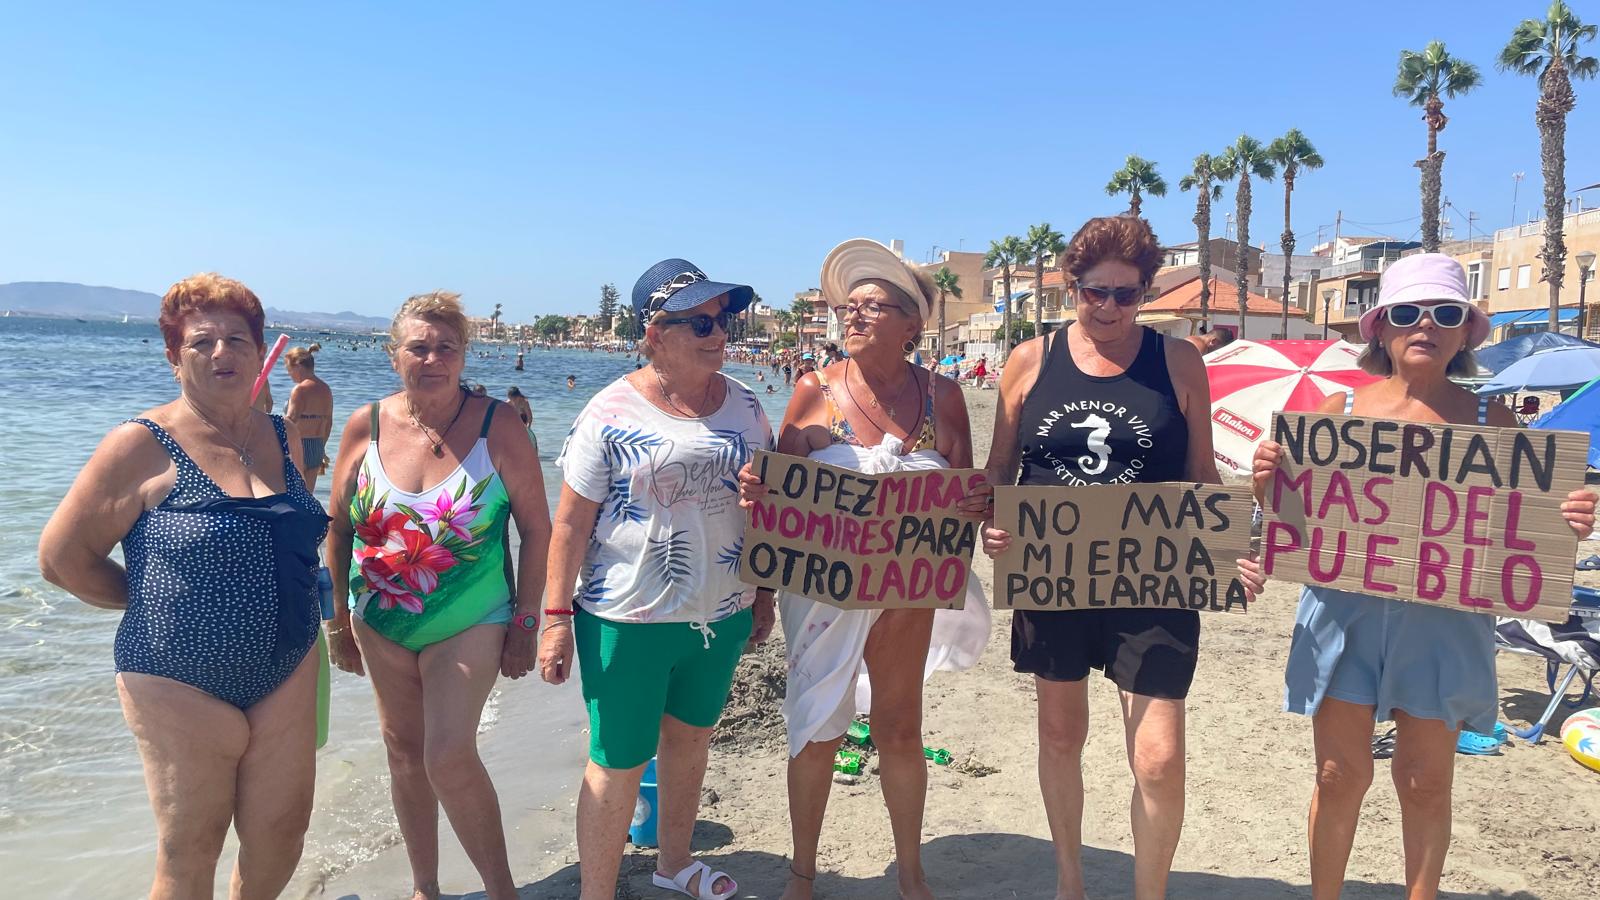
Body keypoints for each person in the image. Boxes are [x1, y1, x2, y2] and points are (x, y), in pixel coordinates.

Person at [1251, 253, 1598, 900]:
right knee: (1337, 774)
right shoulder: (1336, 409)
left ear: (1466, 331)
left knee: (1425, 780)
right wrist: (1268, 484)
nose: (1425, 325)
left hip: (1445, 620)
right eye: (1407, 312)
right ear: (1381, 327)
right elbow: (1290, 519)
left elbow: (1525, 526)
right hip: (1342, 614)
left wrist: (1566, 519)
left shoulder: (1495, 426)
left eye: (1445, 313)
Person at [969, 216, 1264, 900]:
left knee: (1158, 759)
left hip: (1155, 577)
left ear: (1146, 293)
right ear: (1071, 288)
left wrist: (1234, 548)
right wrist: (992, 524)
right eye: (1092, 292)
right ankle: (1070, 882)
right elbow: (999, 476)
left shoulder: (1180, 362)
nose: (1106, 308)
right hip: (1050, 576)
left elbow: (1201, 477)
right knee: (1061, 736)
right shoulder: (1030, 360)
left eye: (1124, 295)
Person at [38, 273, 327, 898]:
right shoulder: (140, 444)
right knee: (191, 846)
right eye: (202, 342)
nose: (222, 353)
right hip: (175, 676)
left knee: (281, 834)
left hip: (289, 663)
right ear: (174, 357)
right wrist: (146, 600)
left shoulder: (283, 434)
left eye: (237, 339)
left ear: (258, 350)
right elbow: (62, 558)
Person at [738, 239, 989, 900]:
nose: (854, 317)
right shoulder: (812, 391)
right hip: (822, 594)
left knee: (900, 728)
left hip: (905, 591)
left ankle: (911, 871)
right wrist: (762, 594)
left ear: (910, 324)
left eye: (873, 308)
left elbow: (964, 493)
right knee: (818, 727)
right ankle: (802, 874)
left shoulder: (943, 398)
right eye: (849, 307)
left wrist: (976, 500)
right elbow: (777, 505)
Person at [539, 259, 772, 900]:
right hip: (627, 619)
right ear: (655, 332)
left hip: (719, 611)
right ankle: (598, 891)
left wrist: (765, 593)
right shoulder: (608, 411)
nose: (718, 331)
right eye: (699, 320)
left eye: (723, 318)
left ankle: (675, 865)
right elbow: (568, 527)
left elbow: (765, 512)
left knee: (691, 742)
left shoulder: (749, 408)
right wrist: (555, 621)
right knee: (617, 761)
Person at [324, 291, 551, 900]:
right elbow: (339, 528)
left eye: (445, 347)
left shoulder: (495, 425)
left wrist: (528, 622)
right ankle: (425, 887)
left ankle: (501, 889)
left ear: (464, 354)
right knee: (402, 750)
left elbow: (537, 527)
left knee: (447, 754)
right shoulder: (364, 425)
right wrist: (336, 622)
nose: (432, 359)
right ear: (394, 354)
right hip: (379, 619)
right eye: (418, 347)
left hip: (471, 616)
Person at [284, 345, 334, 491]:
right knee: (308, 494)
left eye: (289, 369)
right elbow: (329, 423)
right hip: (317, 446)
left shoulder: (300, 390)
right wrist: (322, 447)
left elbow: (290, 421)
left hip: (298, 445)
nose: (289, 374)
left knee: (291, 493)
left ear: (298, 366)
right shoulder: (325, 389)